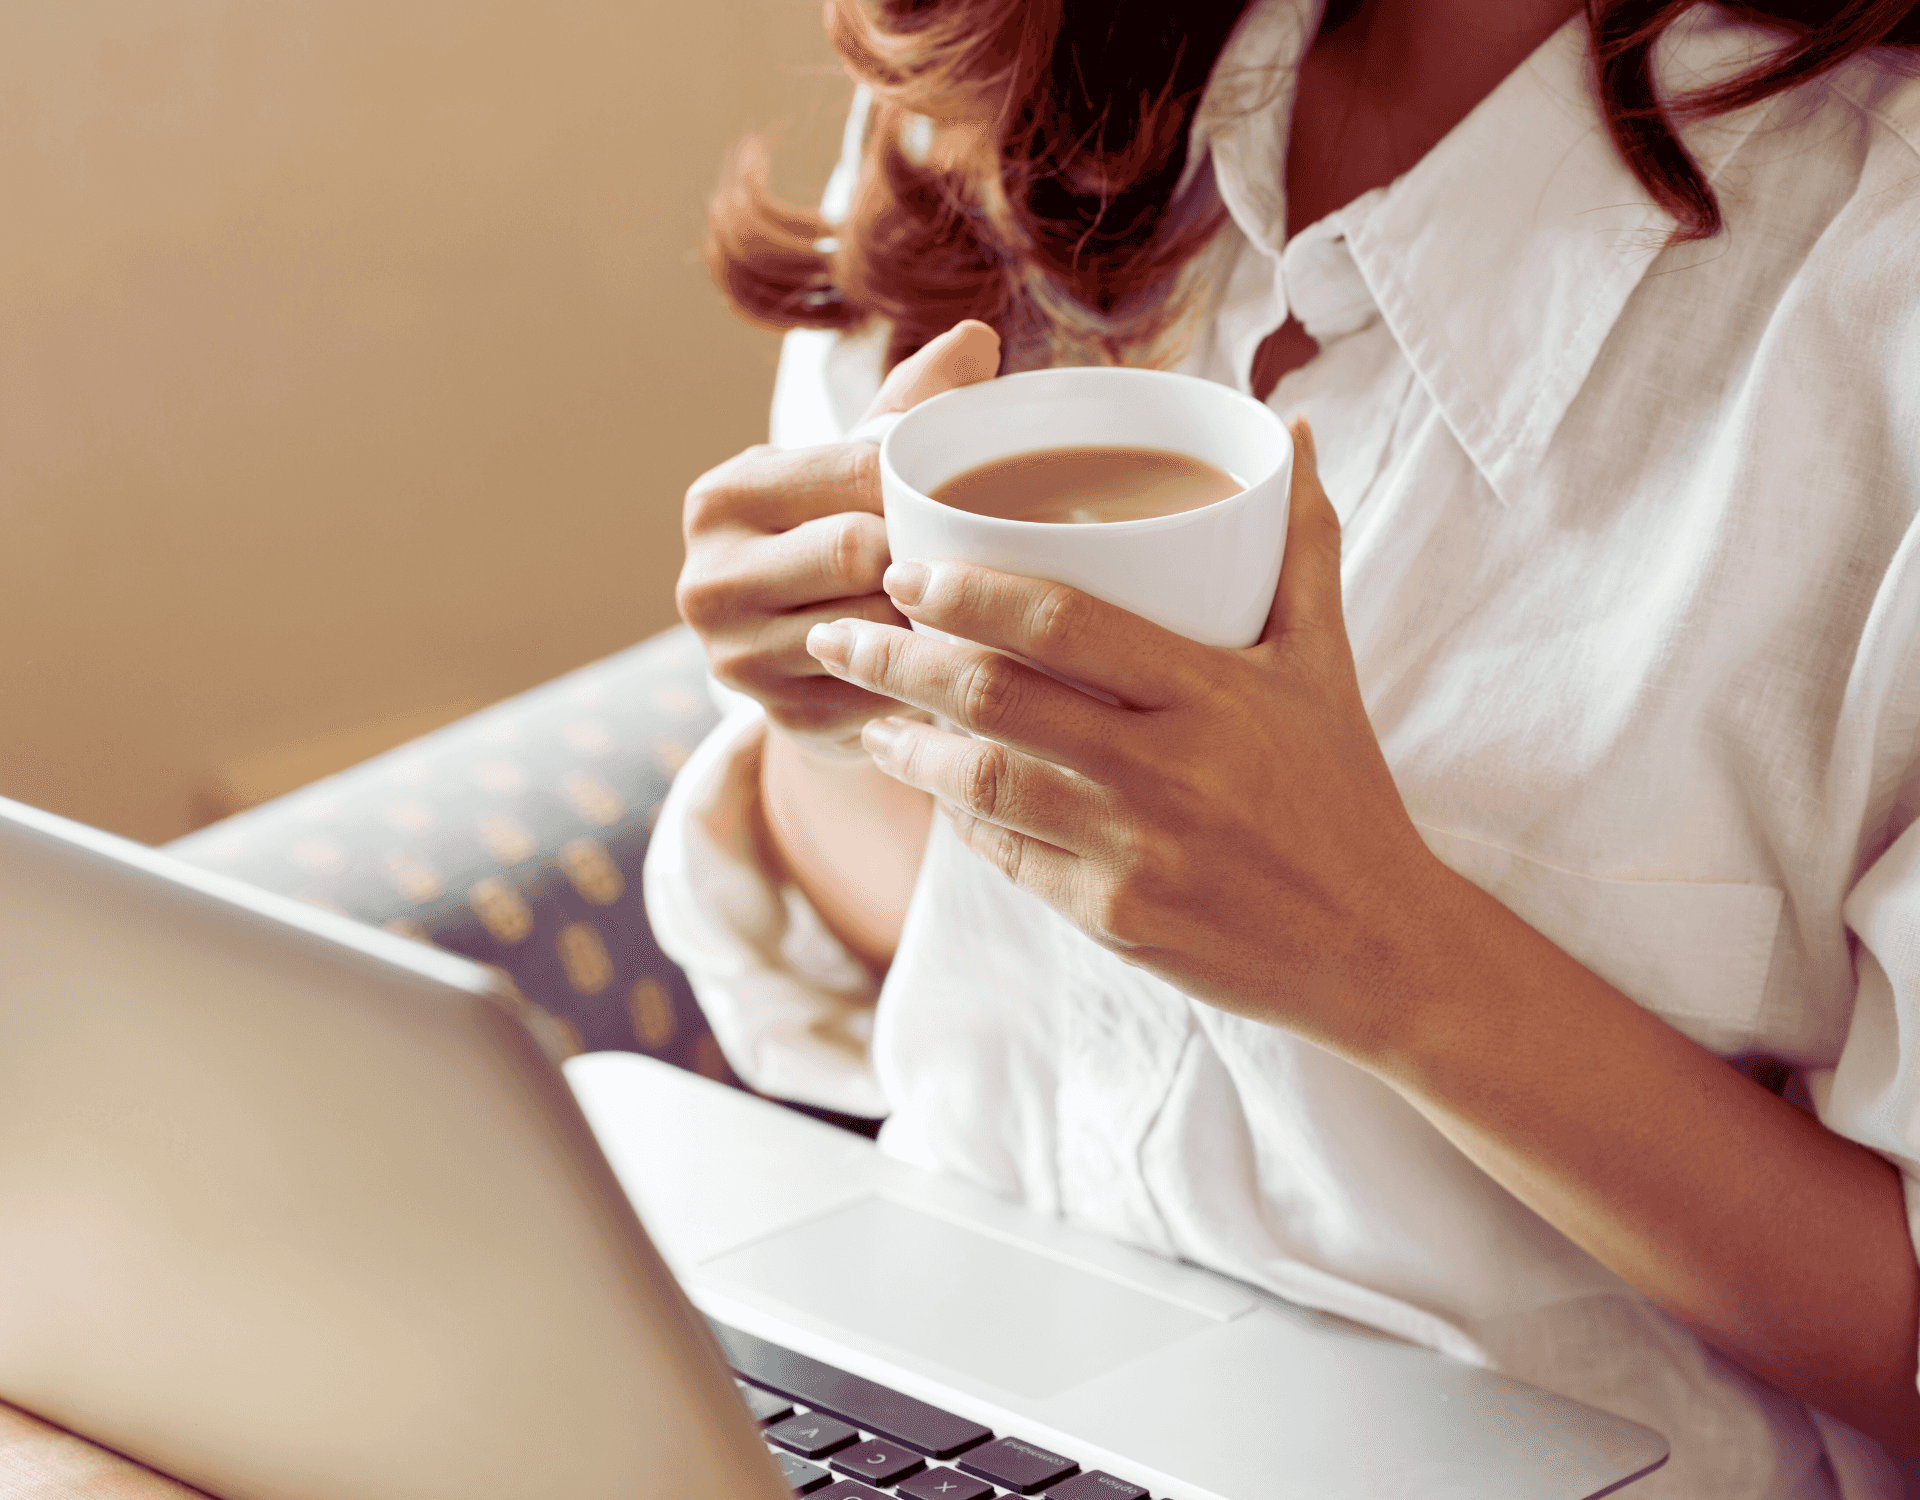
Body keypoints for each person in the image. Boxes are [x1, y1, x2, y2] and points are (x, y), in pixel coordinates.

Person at [642, 0, 1920, 1493]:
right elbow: (955, 944)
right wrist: (837, 703)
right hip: (945, 1392)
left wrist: (1387, 954)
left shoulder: (1865, 297)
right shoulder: (999, 79)